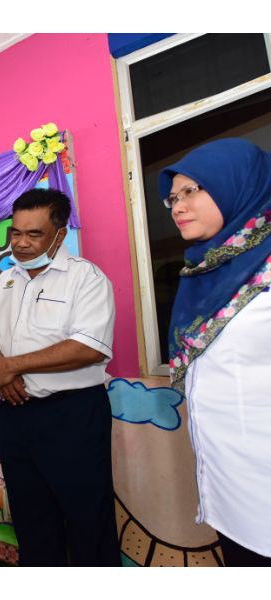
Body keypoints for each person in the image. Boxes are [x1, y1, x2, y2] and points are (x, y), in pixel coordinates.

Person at [0, 188, 120, 566]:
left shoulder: (86, 278)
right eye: (16, 232)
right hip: (16, 413)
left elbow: (88, 347)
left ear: (60, 234)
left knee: (87, 519)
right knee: (31, 519)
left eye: (34, 234)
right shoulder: (5, 281)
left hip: (72, 415)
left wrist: (13, 365)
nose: (21, 243)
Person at [160, 138, 271, 566]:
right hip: (226, 489)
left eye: (191, 190)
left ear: (236, 184)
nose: (177, 206)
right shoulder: (203, 273)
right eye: (173, 197)